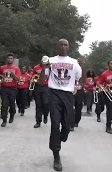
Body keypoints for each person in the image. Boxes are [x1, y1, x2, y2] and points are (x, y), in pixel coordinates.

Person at [39, 39, 85, 171]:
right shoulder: (51, 60)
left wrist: (83, 66)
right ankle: (56, 155)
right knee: (55, 123)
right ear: (57, 46)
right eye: (61, 44)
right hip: (53, 94)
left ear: (68, 47)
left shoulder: (74, 63)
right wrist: (43, 67)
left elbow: (79, 79)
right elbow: (42, 79)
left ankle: (62, 136)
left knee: (66, 125)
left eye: (65, 44)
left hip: (68, 95)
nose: (63, 46)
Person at [0, 53, 21, 127]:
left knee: (12, 103)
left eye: (11, 58)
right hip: (4, 88)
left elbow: (18, 79)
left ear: (13, 60)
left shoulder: (16, 68)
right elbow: (0, 78)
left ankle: (12, 115)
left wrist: (13, 74)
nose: (10, 59)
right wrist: (0, 83)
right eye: (9, 58)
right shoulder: (2, 68)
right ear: (7, 59)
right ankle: (4, 120)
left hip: (13, 88)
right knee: (4, 104)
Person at [32, 57, 50, 128]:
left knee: (46, 103)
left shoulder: (50, 68)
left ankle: (45, 115)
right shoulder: (36, 67)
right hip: (38, 86)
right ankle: (38, 121)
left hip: (46, 87)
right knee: (38, 104)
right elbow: (33, 76)